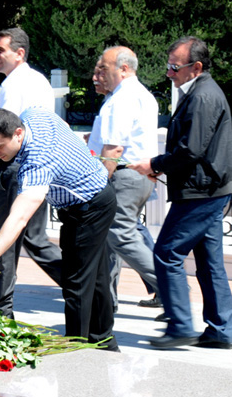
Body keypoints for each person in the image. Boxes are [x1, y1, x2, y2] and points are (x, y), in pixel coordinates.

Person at [0, 107, 119, 351]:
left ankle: (76, 351)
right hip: (100, 196)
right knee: (96, 277)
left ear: (18, 133)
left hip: (87, 208)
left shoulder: (37, 163)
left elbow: (19, 217)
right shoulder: (34, 115)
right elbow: (64, 124)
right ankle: (104, 342)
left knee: (76, 284)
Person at [129, 36, 232, 349]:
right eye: (169, 65)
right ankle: (220, 330)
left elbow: (191, 150)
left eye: (175, 66)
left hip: (202, 191)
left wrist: (155, 163)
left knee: (166, 253)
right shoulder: (199, 92)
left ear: (196, 67)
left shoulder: (203, 96)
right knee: (210, 262)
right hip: (208, 188)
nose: (169, 73)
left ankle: (181, 326)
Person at [0, 28, 61, 319]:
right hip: (37, 164)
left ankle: (1, 308)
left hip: (12, 166)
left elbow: (1, 130)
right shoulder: (40, 80)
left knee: (4, 236)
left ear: (20, 53)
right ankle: (86, 286)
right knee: (36, 239)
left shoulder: (13, 84)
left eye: (1, 50)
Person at [87, 47, 161, 313]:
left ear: (124, 69)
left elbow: (114, 149)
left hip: (123, 176)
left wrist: (98, 186)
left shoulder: (121, 99)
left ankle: (169, 286)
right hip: (135, 176)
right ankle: (106, 300)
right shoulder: (140, 95)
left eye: (103, 69)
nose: (98, 75)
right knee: (110, 238)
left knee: (121, 235)